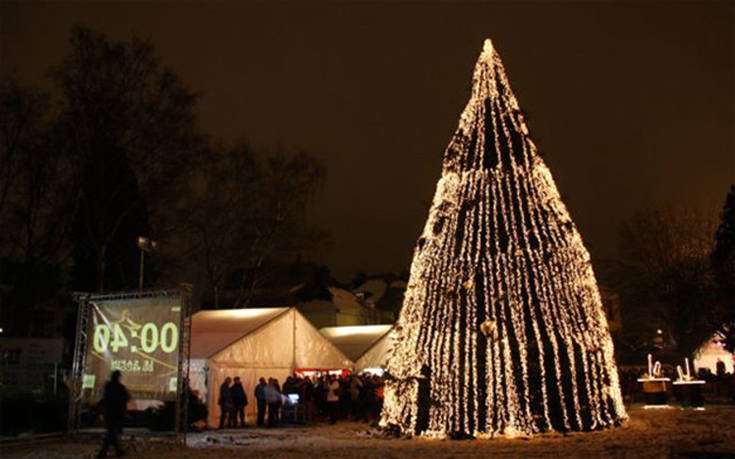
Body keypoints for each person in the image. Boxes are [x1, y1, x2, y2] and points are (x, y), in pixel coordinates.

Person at [98, 370, 130, 458]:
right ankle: (104, 451)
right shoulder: (120, 387)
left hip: (109, 412)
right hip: (116, 413)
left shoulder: (108, 386)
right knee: (112, 433)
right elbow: (127, 397)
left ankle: (115, 450)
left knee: (112, 432)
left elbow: (105, 398)